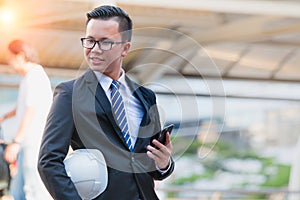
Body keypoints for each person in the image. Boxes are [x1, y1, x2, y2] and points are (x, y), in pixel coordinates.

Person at [38, 5, 175, 200]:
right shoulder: (70, 94)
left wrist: (164, 164)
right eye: (90, 41)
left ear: (125, 48)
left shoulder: (146, 97)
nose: (94, 50)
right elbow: (48, 162)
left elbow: (151, 166)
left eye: (105, 43)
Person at [0, 39, 53, 200]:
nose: (10, 63)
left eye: (11, 59)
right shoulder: (28, 77)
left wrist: (16, 142)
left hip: (34, 142)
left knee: (34, 189)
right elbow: (23, 105)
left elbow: (31, 109)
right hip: (27, 144)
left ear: (21, 56)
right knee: (19, 191)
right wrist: (4, 116)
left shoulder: (35, 76)